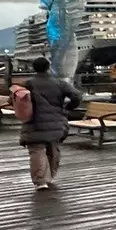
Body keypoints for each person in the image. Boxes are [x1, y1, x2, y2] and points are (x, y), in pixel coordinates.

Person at [17, 57, 82, 191]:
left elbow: (14, 98)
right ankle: (50, 175)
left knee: (37, 150)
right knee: (53, 148)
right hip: (56, 121)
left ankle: (41, 181)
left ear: (33, 68)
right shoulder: (59, 83)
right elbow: (77, 96)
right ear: (48, 67)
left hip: (33, 122)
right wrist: (67, 108)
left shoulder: (27, 84)